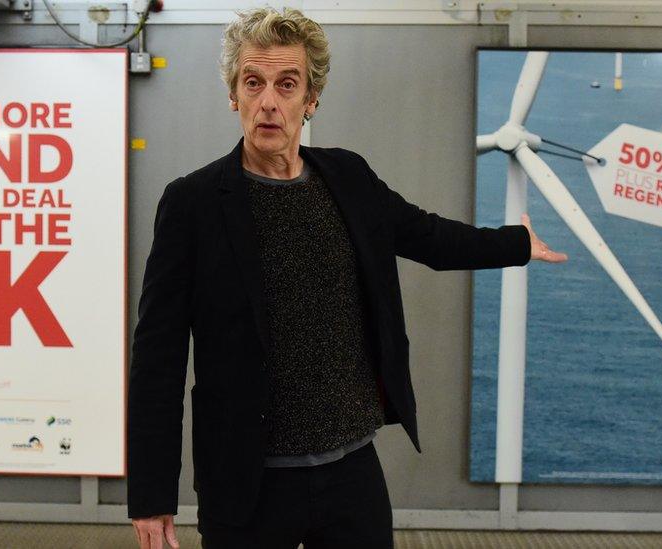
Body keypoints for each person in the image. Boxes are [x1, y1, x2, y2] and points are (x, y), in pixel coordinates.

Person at [127, 7, 566, 549]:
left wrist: (515, 243)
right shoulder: (191, 204)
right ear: (233, 95)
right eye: (253, 82)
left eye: (287, 84)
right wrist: (151, 495)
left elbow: (427, 236)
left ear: (310, 100)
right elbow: (157, 359)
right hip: (247, 481)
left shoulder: (347, 177)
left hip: (351, 472)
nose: (268, 101)